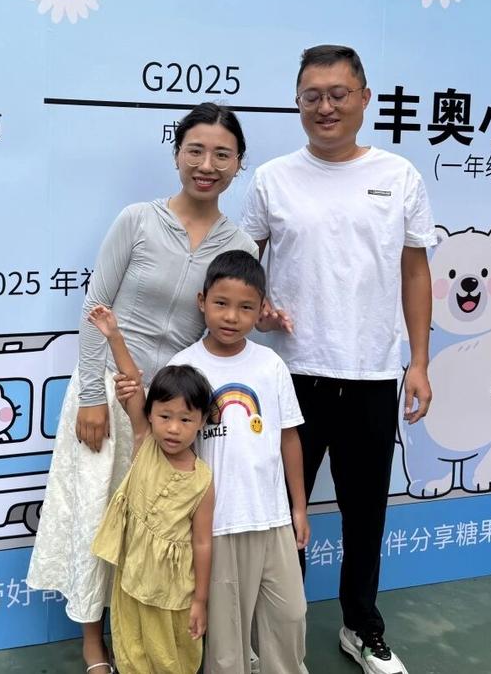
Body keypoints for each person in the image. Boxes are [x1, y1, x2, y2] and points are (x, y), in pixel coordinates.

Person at [27, 102, 257, 673]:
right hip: (109, 395)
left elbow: (226, 326)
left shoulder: (240, 245)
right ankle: (93, 642)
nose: (207, 165)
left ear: (239, 163)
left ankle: (153, 637)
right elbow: (96, 306)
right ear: (177, 154)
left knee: (159, 529)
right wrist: (91, 395)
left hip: (173, 411)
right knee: (99, 517)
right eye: (195, 150)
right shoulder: (137, 220)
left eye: (222, 154)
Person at [241, 45, 436, 674]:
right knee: (280, 515)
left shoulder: (399, 176)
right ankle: (275, 635)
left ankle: (361, 626)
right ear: (298, 103)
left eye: (338, 94)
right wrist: (257, 307)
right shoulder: (273, 179)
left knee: (365, 514)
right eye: (312, 96)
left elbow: (415, 271)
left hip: (373, 375)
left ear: (364, 98)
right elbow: (242, 266)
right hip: (289, 377)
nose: (325, 107)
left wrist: (419, 362)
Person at [163, 249, 310, 674]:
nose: (231, 316)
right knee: (227, 640)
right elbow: (170, 448)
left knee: (290, 616)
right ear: (202, 301)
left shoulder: (270, 365)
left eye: (246, 307)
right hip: (218, 526)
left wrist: (299, 508)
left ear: (262, 310)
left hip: (272, 519)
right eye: (221, 303)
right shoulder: (184, 367)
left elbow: (288, 438)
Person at [88, 305, 214, 674]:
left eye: (186, 419)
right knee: (131, 652)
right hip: (131, 581)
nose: (173, 428)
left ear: (201, 422)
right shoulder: (145, 442)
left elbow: (202, 542)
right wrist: (114, 335)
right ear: (151, 414)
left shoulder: (202, 480)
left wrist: (200, 600)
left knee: (173, 656)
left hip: (174, 593)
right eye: (165, 416)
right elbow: (132, 382)